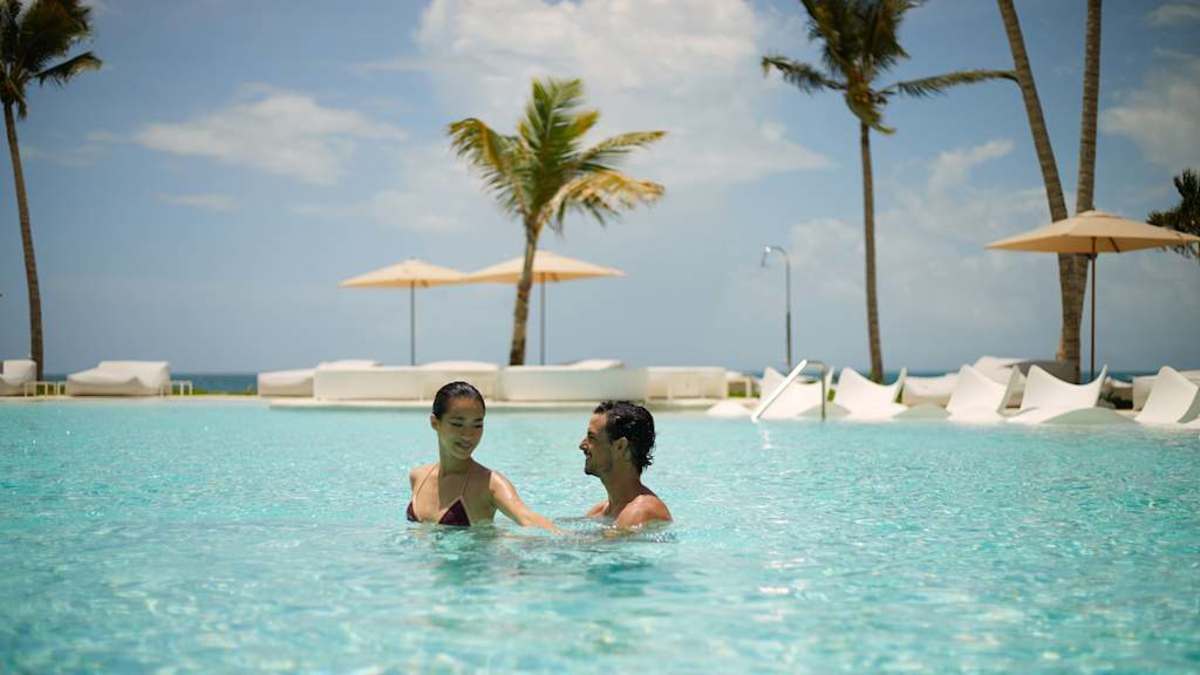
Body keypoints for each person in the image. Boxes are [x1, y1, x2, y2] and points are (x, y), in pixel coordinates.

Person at [407, 381, 555, 530]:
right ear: (435, 423)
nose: (468, 435)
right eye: (458, 424)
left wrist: (564, 537)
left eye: (477, 425)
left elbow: (526, 517)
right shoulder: (418, 477)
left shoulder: (490, 484)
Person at [579, 400, 671, 528]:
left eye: (592, 437)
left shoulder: (643, 511)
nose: (581, 445)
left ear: (620, 446)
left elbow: (608, 541)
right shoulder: (600, 511)